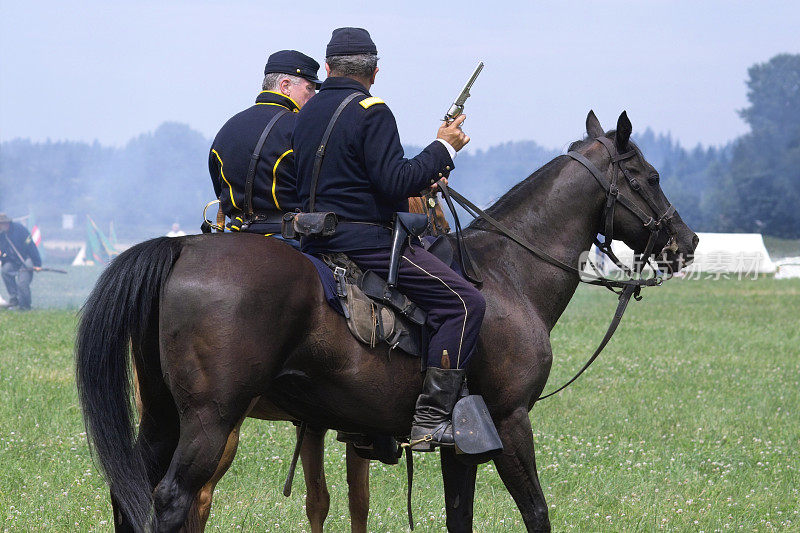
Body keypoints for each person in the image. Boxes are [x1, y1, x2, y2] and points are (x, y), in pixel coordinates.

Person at [292, 28, 485, 451]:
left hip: (313, 242)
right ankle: (430, 419)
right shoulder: (372, 110)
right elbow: (396, 181)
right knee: (465, 303)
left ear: (327, 68)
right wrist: (444, 147)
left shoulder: (305, 112)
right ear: (375, 73)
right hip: (367, 243)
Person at [209, 50, 322, 240]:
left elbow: (219, 188)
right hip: (287, 238)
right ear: (285, 86)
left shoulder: (228, 126)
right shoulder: (300, 127)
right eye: (309, 89)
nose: (313, 97)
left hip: (233, 236)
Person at [0, 213, 42, 311]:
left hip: (26, 260)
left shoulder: (20, 230)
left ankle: (25, 306)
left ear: (7, 223)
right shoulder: (1, 235)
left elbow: (31, 246)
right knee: (5, 271)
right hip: (12, 262)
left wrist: (37, 264)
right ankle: (14, 299)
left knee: (22, 283)